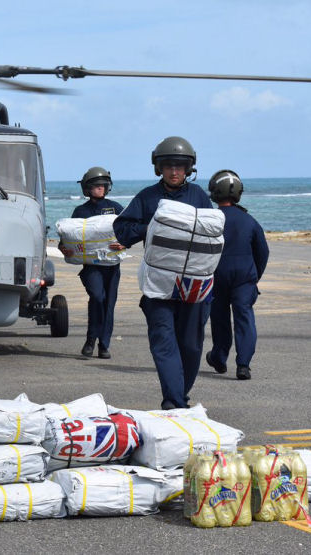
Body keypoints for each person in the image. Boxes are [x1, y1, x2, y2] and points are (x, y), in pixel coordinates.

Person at [112, 136, 213, 409]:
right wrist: (152, 227)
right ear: (159, 168)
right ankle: (173, 402)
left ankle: (180, 395)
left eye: (180, 166)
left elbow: (214, 234)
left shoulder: (200, 197)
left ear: (189, 168)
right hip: (158, 286)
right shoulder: (147, 197)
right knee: (164, 344)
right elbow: (122, 229)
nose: (174, 171)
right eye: (168, 165)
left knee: (191, 348)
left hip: (193, 286)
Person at [204, 170, 269, 381]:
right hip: (244, 278)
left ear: (214, 192)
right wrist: (254, 276)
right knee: (244, 318)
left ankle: (219, 357)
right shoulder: (249, 220)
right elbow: (263, 251)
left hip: (216, 276)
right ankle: (243, 365)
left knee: (220, 318)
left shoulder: (210, 219)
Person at [65, 167, 125, 359]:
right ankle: (91, 339)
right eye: (97, 185)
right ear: (87, 188)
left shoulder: (116, 208)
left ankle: (103, 345)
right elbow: (69, 237)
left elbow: (129, 230)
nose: (101, 188)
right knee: (97, 297)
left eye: (104, 185)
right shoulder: (80, 211)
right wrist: (64, 248)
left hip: (112, 266)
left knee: (108, 304)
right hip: (91, 267)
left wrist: (123, 243)